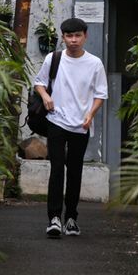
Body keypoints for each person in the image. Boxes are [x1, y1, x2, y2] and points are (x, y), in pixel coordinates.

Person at [33, 18, 108, 238]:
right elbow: (39, 82)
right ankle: (54, 218)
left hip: (81, 125)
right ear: (63, 37)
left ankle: (72, 218)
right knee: (57, 169)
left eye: (77, 36)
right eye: (69, 36)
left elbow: (100, 94)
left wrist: (90, 114)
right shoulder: (53, 58)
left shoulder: (94, 63)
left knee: (75, 171)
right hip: (57, 121)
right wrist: (46, 96)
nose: (73, 40)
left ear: (85, 36)